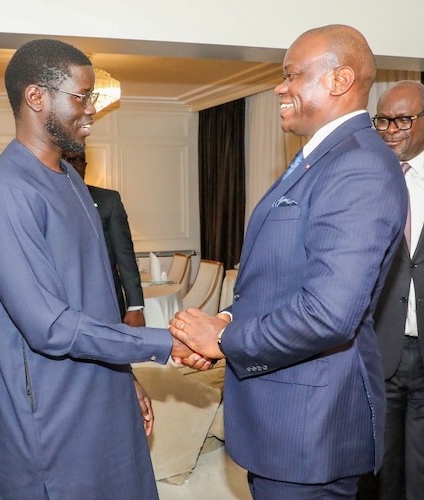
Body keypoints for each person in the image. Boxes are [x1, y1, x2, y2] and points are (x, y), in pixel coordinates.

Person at [169, 24, 408, 499]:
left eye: (292, 74)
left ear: (339, 80)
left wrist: (223, 339)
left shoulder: (358, 164)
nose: (280, 88)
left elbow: (328, 314)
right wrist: (227, 321)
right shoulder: (319, 159)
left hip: (310, 429)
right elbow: (279, 284)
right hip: (284, 424)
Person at [0, 38, 210, 500]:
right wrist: (164, 342)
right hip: (54, 420)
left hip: (103, 396)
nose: (92, 109)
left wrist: (125, 376)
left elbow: (95, 299)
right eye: (81, 97)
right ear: (36, 97)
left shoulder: (71, 180)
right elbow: (50, 326)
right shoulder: (5, 193)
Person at [369, 80, 424, 500]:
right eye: (383, 120)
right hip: (381, 350)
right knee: (381, 469)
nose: (390, 130)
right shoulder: (367, 179)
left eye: (402, 120)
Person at [62, 150, 145, 327]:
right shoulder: (44, 199)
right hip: (63, 303)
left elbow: (124, 255)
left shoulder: (109, 200)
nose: (73, 164)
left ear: (85, 165)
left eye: (79, 159)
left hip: (107, 302)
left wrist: (135, 306)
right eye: (67, 159)